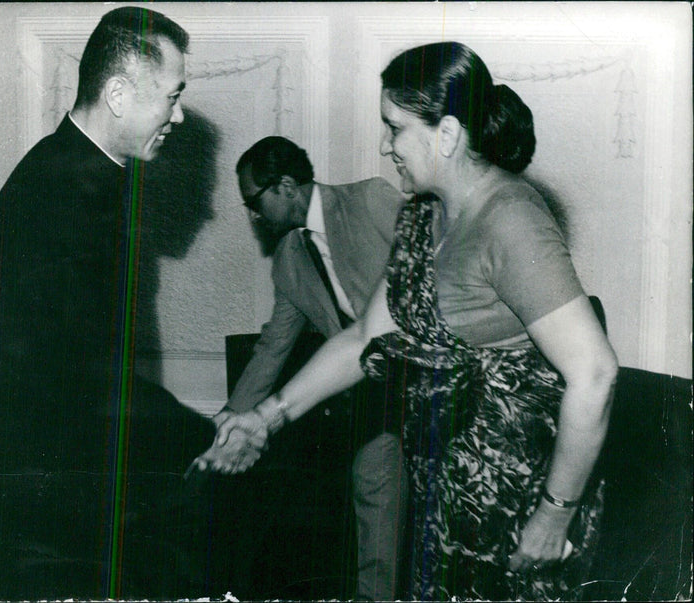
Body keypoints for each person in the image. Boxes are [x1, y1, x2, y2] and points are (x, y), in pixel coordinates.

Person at [215, 42, 618, 601]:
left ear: (447, 134)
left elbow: (595, 374)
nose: (385, 145)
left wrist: (554, 517)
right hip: (448, 496)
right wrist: (266, 417)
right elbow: (365, 337)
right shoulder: (421, 216)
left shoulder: (512, 219)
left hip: (521, 506)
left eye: (395, 127)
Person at [0, 7, 216, 600]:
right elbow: (78, 379)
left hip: (45, 476)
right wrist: (203, 433)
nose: (179, 114)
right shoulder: (66, 198)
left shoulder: (79, 172)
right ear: (118, 93)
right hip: (34, 506)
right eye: (172, 97)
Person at [197, 136, 408, 600]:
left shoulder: (370, 199)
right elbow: (273, 347)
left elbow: (442, 272)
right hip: (378, 401)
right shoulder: (290, 260)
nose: (254, 215)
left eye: (255, 202)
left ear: (287, 186)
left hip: (443, 387)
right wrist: (232, 417)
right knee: (373, 497)